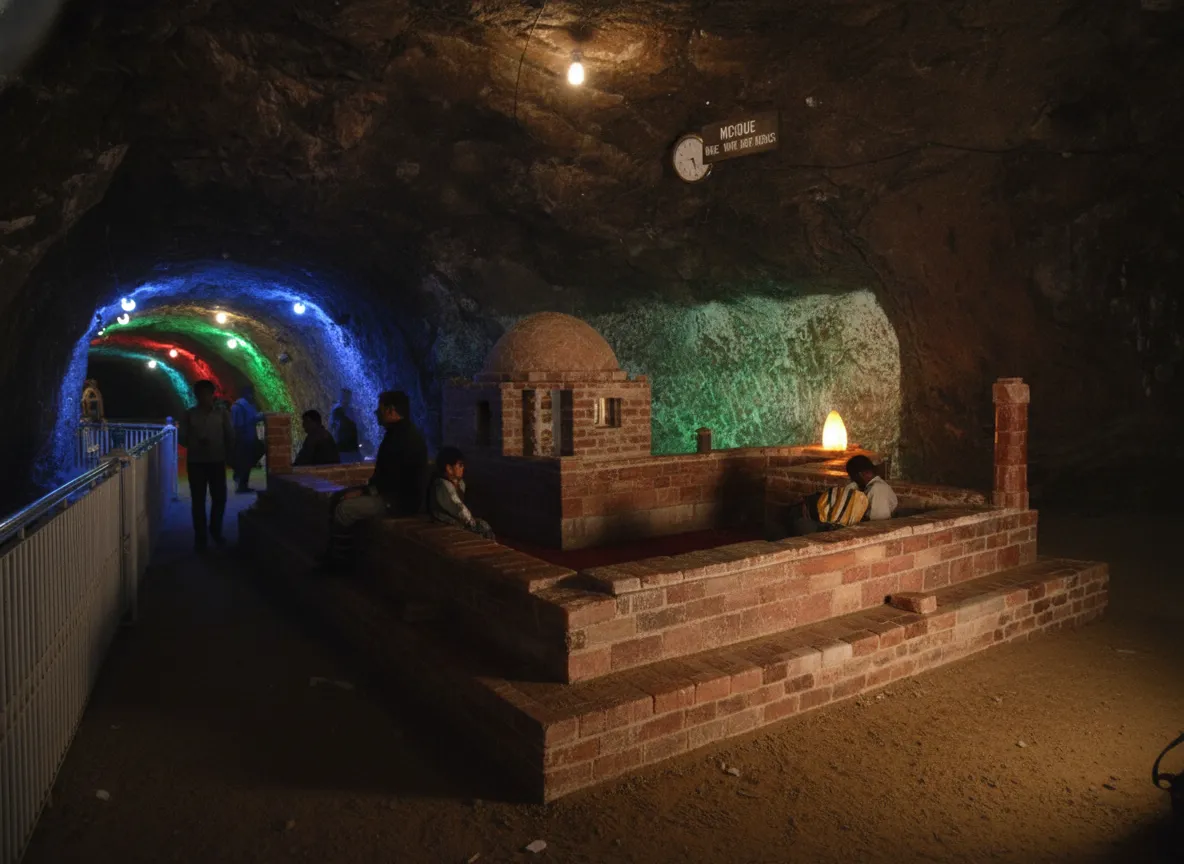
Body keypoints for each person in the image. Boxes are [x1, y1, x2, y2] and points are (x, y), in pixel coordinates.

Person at [332, 390, 428, 531]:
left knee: (344, 509)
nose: (376, 412)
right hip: (395, 497)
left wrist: (364, 492)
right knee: (340, 497)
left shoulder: (401, 439)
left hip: (398, 502)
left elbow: (391, 480)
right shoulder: (401, 433)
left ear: (390, 411)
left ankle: (341, 552)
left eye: (380, 409)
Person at [179, 379, 234, 551]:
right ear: (196, 396)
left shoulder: (222, 414)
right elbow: (182, 438)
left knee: (219, 498)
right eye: (200, 394)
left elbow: (230, 435)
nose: (204, 398)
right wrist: (195, 442)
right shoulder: (190, 414)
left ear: (212, 394)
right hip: (196, 462)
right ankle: (200, 537)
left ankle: (215, 531)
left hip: (216, 460)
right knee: (198, 500)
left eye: (206, 394)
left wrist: (229, 454)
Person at [427, 446, 495, 540]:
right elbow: (457, 506)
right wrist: (471, 522)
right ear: (449, 469)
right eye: (460, 465)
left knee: (484, 526)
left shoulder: (460, 483)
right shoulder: (442, 485)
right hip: (444, 523)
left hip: (458, 521)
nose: (462, 468)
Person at [230, 386, 265, 493]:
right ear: (247, 394)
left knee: (244, 461)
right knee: (246, 462)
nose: (252, 396)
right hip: (245, 438)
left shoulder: (238, 405)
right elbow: (247, 421)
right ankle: (242, 484)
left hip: (243, 438)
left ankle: (240, 479)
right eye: (251, 393)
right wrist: (262, 416)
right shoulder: (243, 406)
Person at [846, 454, 898, 520]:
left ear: (861, 474)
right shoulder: (866, 487)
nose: (852, 480)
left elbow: (879, 522)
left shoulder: (879, 489)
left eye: (853, 477)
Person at [329, 388, 361, 462]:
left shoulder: (352, 411)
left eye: (347, 396)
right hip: (342, 445)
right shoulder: (336, 410)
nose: (345, 398)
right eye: (343, 396)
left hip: (350, 445)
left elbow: (357, 426)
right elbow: (332, 427)